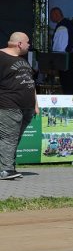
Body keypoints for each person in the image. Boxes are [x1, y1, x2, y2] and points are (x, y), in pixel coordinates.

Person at [0, 32, 39, 180]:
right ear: (20, 44)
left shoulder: (22, 60)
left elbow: (30, 82)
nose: (29, 45)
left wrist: (36, 103)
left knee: (13, 138)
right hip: (8, 104)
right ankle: (6, 170)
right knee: (9, 137)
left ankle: (8, 166)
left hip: (26, 107)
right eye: (28, 42)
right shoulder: (1, 57)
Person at [50, 7, 73, 94]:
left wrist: (55, 59)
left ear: (56, 14)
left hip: (66, 57)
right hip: (72, 55)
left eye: (52, 16)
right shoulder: (68, 23)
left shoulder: (62, 26)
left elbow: (60, 46)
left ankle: (70, 102)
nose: (51, 18)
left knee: (66, 82)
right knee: (70, 81)